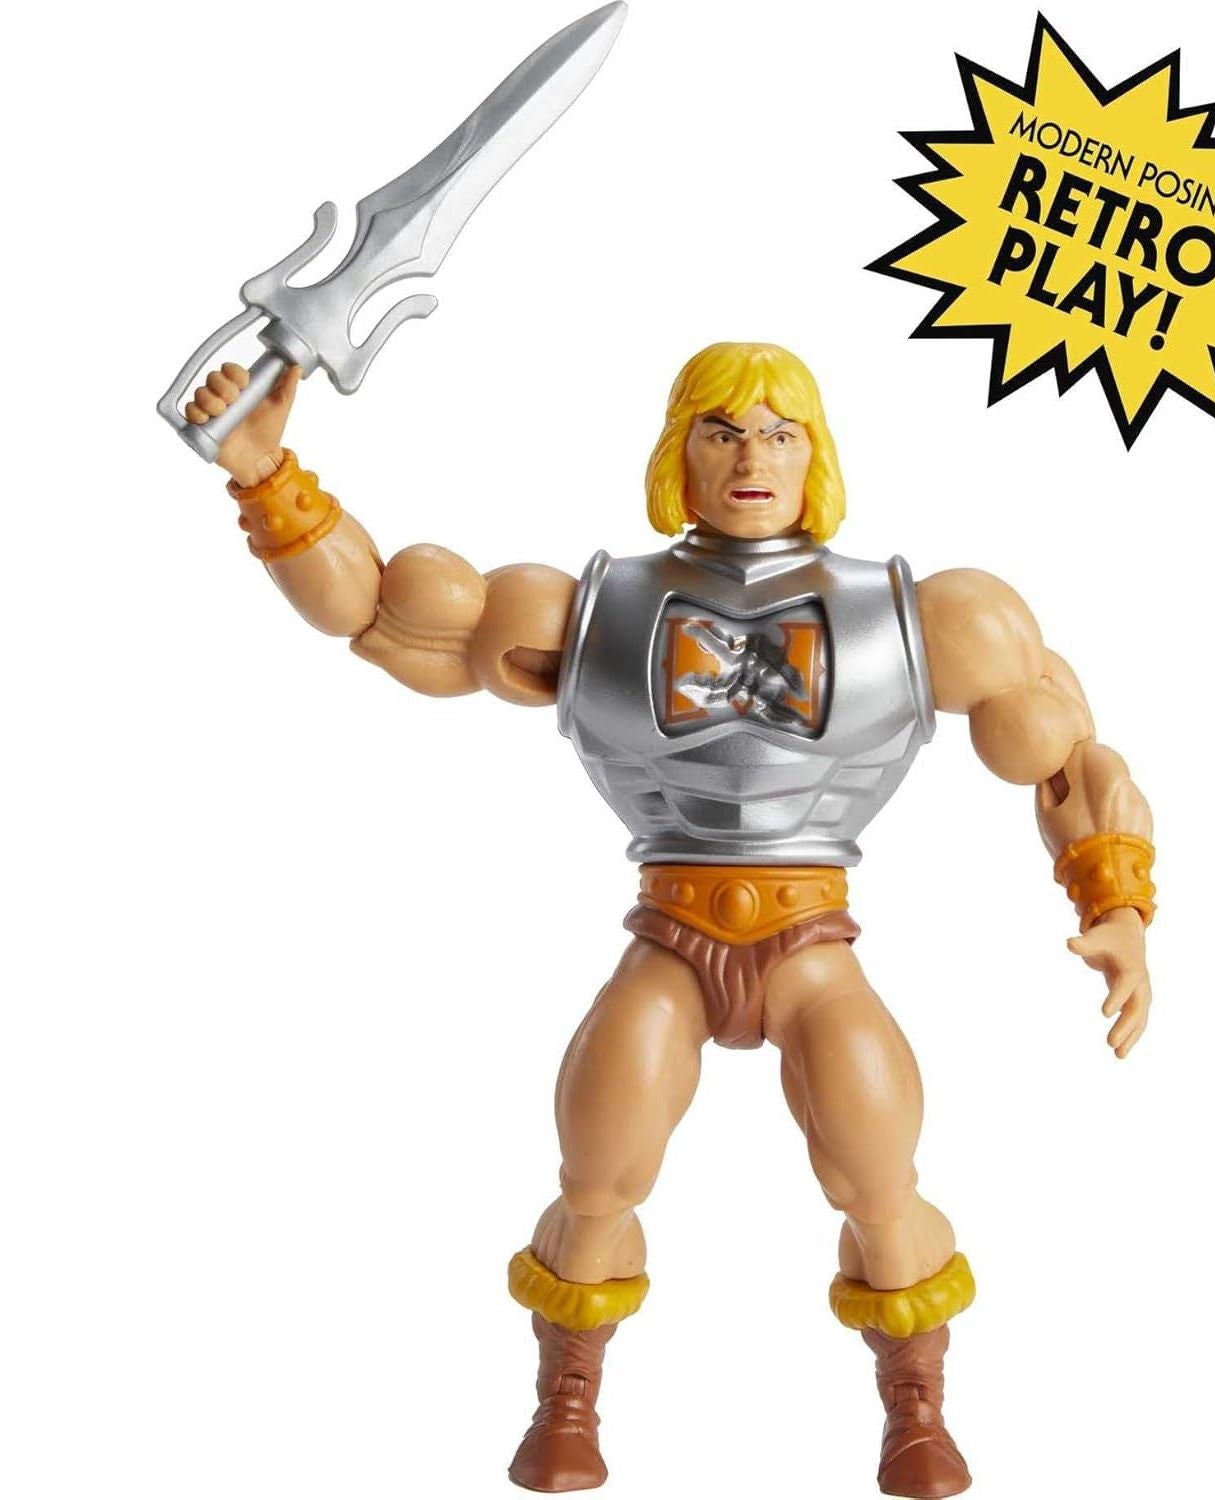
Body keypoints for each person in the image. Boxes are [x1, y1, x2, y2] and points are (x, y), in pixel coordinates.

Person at [186, 340, 1155, 1498]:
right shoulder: (594, 608)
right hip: (671, 938)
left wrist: (1116, 903)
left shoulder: (925, 616)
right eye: (722, 432)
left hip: (812, 946)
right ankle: (567, 1391)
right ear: (676, 455)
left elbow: (1064, 752)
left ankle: (916, 1402)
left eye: (780, 434)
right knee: (599, 1175)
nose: (753, 457)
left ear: (816, 455)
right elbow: (392, 618)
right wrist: (268, 476)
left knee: (877, 1177)